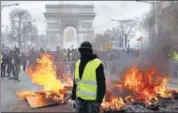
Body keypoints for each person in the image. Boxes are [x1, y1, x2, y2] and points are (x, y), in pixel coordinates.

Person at [71, 41, 106, 113]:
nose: (84, 53)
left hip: (92, 101)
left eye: (86, 51)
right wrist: (74, 95)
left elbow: (101, 84)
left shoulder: (97, 63)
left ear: (90, 51)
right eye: (82, 51)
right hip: (79, 99)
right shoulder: (78, 63)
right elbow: (76, 82)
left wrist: (99, 100)